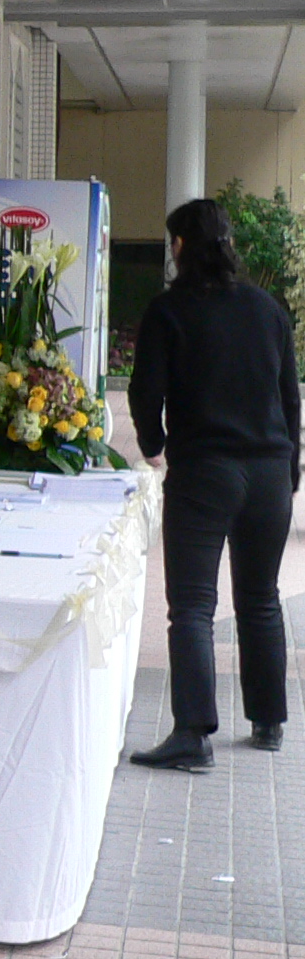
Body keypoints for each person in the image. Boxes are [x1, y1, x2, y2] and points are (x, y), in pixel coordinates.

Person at [125, 196, 302, 770]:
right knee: (261, 598)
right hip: (268, 473)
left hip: (203, 474)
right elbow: (290, 397)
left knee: (193, 606)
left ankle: (192, 734)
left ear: (180, 246)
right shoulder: (267, 309)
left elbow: (145, 391)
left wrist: (152, 444)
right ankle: (268, 722)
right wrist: (291, 469)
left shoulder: (168, 311)